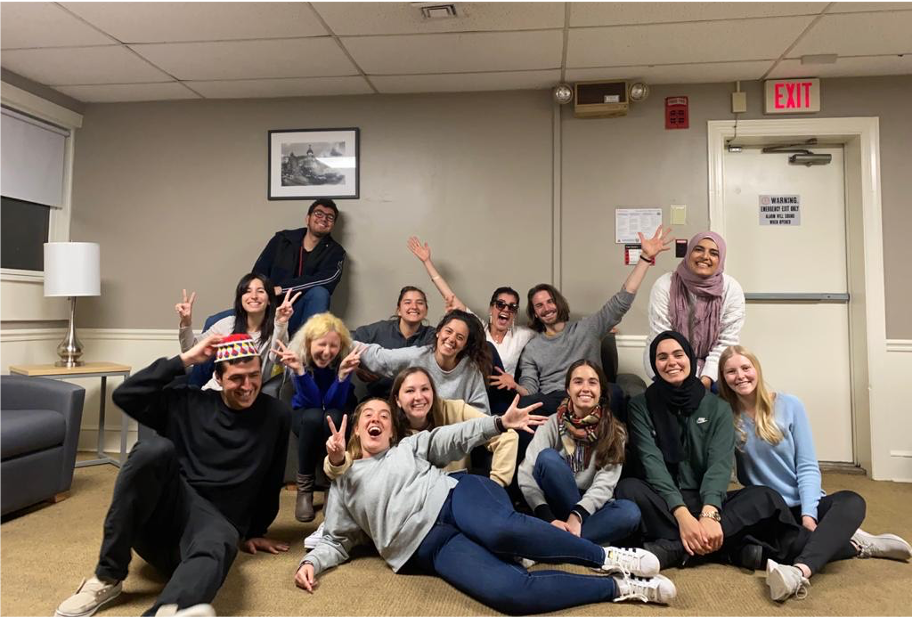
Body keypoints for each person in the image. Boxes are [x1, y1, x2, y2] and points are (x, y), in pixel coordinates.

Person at [295, 396, 677, 614]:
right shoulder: (343, 480)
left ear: (393, 430)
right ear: (357, 429)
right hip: (425, 549)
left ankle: (605, 557)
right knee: (511, 594)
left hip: (454, 497)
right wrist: (311, 562)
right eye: (368, 417)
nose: (376, 420)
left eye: (383, 416)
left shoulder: (407, 448)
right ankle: (621, 588)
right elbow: (335, 539)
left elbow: (450, 437)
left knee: (501, 529)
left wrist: (497, 423)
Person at [54, 334, 291, 618]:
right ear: (218, 376)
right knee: (154, 449)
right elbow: (126, 395)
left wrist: (255, 531)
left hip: (215, 530)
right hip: (161, 519)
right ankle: (108, 576)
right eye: (237, 378)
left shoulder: (276, 414)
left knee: (216, 541)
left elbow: (271, 478)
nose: (248, 386)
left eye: (254, 376)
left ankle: (169, 611)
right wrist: (185, 359)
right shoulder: (188, 402)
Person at [718, 345, 912, 601]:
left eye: (745, 367)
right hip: (771, 511)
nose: (740, 376)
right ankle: (854, 545)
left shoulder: (789, 405)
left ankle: (799, 571)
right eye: (731, 371)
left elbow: (807, 466)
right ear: (723, 378)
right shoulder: (724, 415)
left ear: (757, 369)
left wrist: (809, 514)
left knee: (852, 501)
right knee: (792, 546)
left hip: (805, 502)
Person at [615, 331, 813, 573]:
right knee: (628, 489)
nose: (671, 362)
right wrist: (683, 516)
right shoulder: (640, 405)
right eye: (662, 357)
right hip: (664, 500)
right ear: (654, 365)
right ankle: (731, 550)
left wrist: (709, 513)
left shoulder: (718, 406)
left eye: (678, 354)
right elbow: (651, 461)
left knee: (764, 497)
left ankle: (674, 550)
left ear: (689, 357)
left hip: (707, 498)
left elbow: (719, 464)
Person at [516, 226, 674, 416]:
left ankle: (608, 440)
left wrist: (645, 259)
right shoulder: (533, 348)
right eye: (539, 305)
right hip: (555, 400)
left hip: (593, 395)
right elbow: (530, 389)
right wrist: (514, 385)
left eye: (550, 301)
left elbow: (621, 301)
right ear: (534, 313)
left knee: (614, 391)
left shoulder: (587, 328)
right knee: (526, 402)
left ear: (558, 303)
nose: (546, 308)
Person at [518, 360, 640, 546]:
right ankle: (575, 539)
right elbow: (527, 471)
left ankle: (554, 541)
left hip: (591, 507)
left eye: (592, 382)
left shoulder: (615, 430)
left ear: (601, 390)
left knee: (630, 512)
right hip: (555, 502)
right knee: (547, 458)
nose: (585, 388)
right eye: (578, 382)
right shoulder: (552, 423)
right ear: (568, 389)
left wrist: (577, 515)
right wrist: (547, 516)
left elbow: (605, 484)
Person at [407, 236, 536, 380]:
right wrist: (427, 262)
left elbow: (550, 334)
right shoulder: (478, 327)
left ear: (515, 314)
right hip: (475, 386)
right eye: (500, 304)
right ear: (491, 309)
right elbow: (450, 296)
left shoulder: (524, 335)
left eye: (512, 307)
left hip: (503, 393)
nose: (506, 309)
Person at [273, 313, 361, 522]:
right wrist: (301, 373)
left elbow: (333, 404)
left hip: (336, 416)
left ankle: (333, 485)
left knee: (332, 415)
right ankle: (305, 489)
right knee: (314, 416)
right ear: (309, 343)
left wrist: (342, 377)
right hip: (306, 417)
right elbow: (313, 403)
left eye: (334, 346)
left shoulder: (344, 361)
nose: (327, 351)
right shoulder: (298, 359)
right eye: (322, 344)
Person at [644, 231, 745, 390]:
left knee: (717, 400)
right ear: (689, 253)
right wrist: (687, 377)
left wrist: (705, 379)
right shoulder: (665, 284)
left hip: (713, 363)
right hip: (668, 360)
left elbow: (726, 340)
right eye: (698, 249)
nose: (705, 256)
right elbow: (662, 336)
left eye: (714, 253)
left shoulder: (731, 289)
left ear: (721, 259)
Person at [355, 310, 492, 414]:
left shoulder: (471, 371)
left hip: (453, 438)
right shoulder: (417, 356)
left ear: (465, 345)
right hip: (414, 433)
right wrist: (340, 340)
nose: (451, 339)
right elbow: (379, 357)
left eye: (460, 337)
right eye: (448, 331)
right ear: (438, 332)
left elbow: (481, 413)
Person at [176, 273, 294, 390]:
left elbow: (278, 359)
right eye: (247, 291)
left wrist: (281, 323)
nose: (254, 296)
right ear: (240, 299)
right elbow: (190, 349)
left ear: (269, 300)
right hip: (216, 391)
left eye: (260, 291)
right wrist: (186, 322)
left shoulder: (277, 327)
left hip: (247, 393)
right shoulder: (227, 324)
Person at [253, 199, 346, 334]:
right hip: (270, 309)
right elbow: (258, 274)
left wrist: (282, 289)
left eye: (330, 217)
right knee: (213, 321)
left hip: (301, 314)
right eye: (319, 214)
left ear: (333, 225)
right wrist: (261, 295)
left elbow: (327, 280)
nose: (324, 219)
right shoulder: (282, 240)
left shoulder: (335, 252)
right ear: (307, 219)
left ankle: (306, 349)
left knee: (320, 293)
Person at [350, 286, 436, 399]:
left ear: (426, 310)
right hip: (380, 397)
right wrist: (356, 367)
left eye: (420, 303)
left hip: (417, 400)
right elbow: (348, 341)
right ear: (399, 310)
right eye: (407, 302)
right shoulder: (380, 330)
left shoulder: (433, 336)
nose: (414, 307)